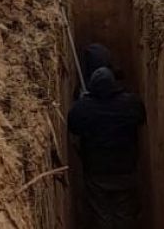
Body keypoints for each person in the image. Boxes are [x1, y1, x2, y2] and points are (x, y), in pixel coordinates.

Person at [68, 67, 146, 229]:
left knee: (102, 215)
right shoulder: (130, 103)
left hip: (97, 173)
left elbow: (73, 125)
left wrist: (82, 101)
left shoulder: (84, 108)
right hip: (125, 170)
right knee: (124, 214)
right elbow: (140, 116)